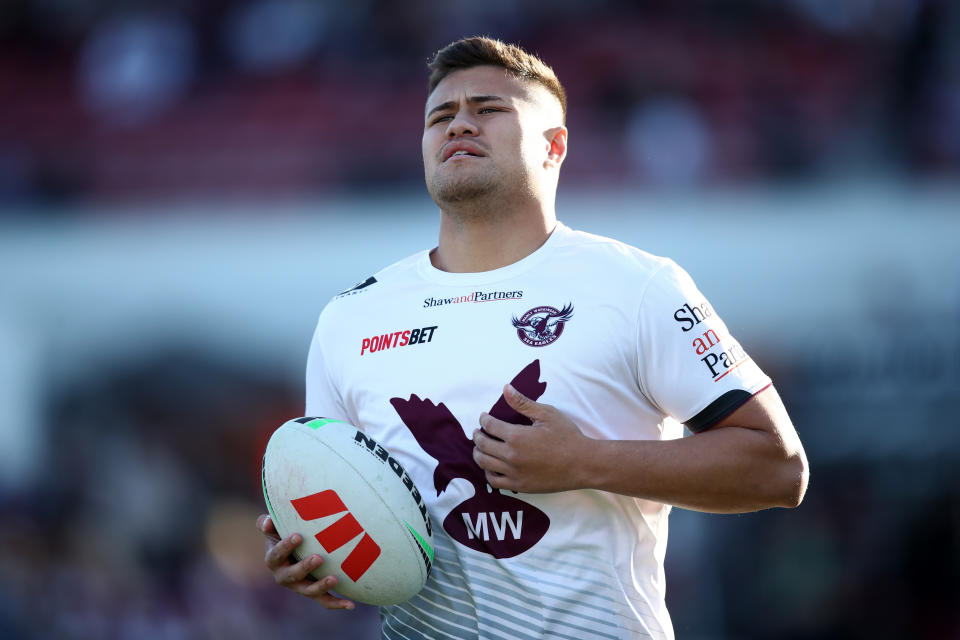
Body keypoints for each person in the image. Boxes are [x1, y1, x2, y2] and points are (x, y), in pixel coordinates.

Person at [257, 36, 808, 640]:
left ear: (555, 146)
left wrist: (586, 461)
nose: (459, 122)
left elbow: (779, 469)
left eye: (489, 108)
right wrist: (312, 557)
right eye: (441, 115)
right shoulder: (350, 318)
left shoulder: (639, 286)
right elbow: (350, 500)